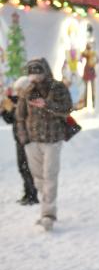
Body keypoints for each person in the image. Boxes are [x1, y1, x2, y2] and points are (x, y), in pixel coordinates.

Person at [16, 58, 72, 231]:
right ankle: (45, 204)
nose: (34, 77)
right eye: (31, 73)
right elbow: (20, 115)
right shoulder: (28, 90)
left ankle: (48, 213)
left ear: (44, 71)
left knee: (50, 175)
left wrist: (46, 104)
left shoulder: (58, 87)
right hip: (32, 141)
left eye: (37, 72)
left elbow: (67, 109)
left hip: (52, 140)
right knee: (38, 178)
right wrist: (23, 137)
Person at [1, 76, 38, 205]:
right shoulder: (20, 100)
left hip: (28, 140)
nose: (17, 92)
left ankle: (33, 195)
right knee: (22, 168)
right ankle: (28, 193)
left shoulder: (31, 100)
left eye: (19, 89)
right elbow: (11, 120)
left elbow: (23, 119)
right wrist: (3, 110)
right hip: (19, 140)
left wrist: (11, 109)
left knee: (28, 168)